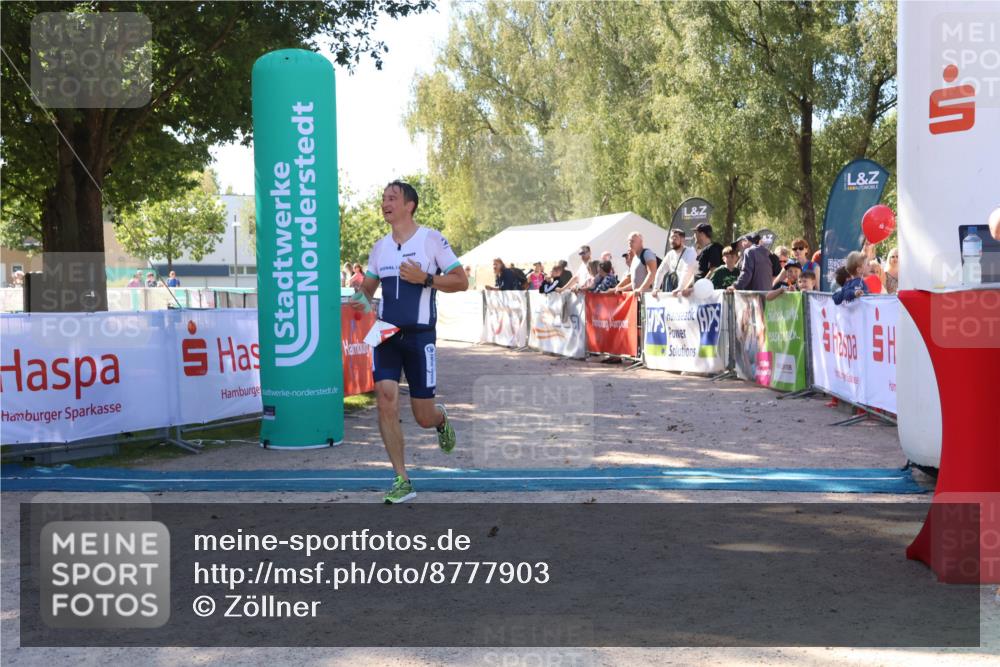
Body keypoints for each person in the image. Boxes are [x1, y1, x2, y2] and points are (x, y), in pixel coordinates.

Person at [349, 180, 467, 504]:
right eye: (383, 198)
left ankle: (440, 418)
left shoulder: (431, 240)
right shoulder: (379, 247)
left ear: (409, 205)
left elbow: (461, 280)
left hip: (419, 334)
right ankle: (402, 478)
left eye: (392, 198)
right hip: (385, 331)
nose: (385, 203)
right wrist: (358, 299)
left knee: (422, 416)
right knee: (384, 396)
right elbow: (369, 290)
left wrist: (426, 279)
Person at [653, 228, 697, 296]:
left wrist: (680, 288)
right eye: (671, 238)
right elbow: (661, 271)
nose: (672, 240)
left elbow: (687, 271)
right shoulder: (670, 254)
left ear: (682, 240)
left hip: (687, 293)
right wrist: (656, 288)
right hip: (673, 292)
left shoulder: (690, 252)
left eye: (675, 237)